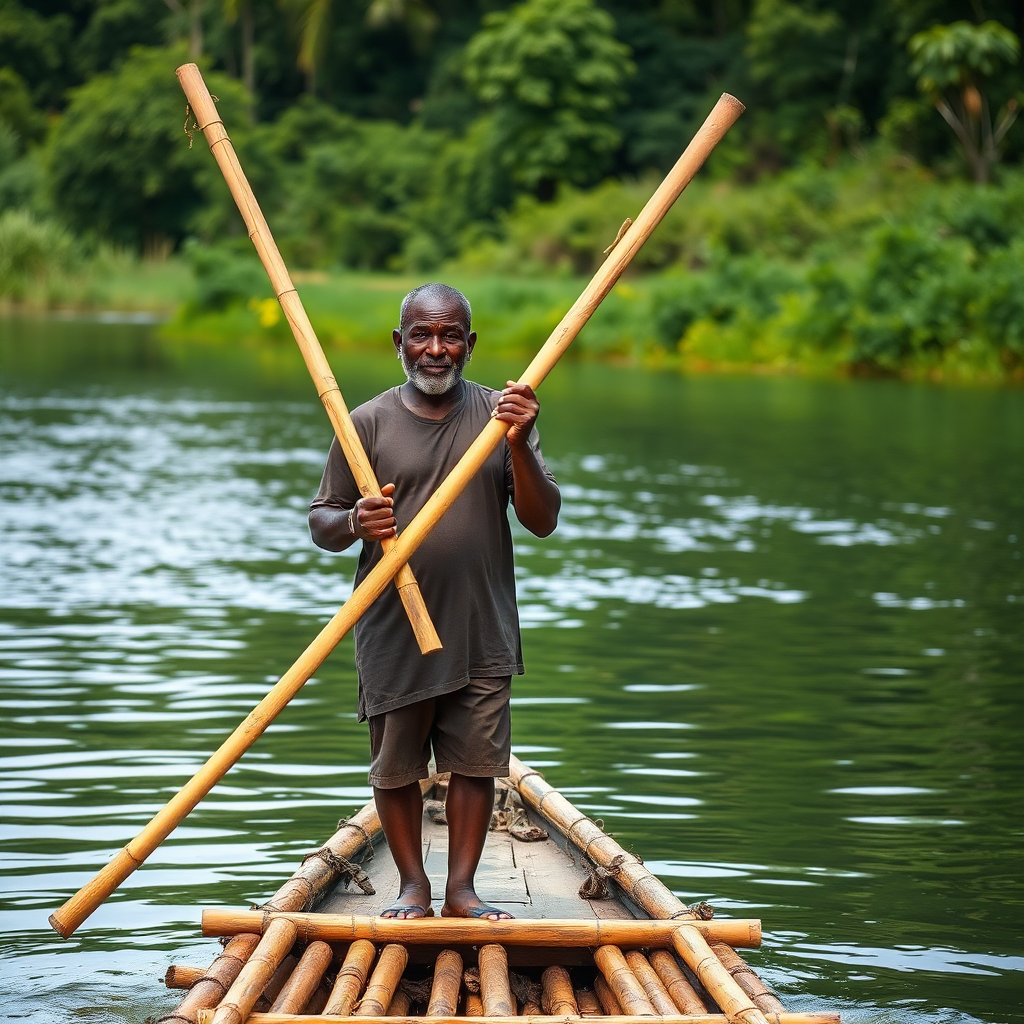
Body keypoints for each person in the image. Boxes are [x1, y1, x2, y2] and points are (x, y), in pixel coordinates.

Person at [308, 282, 560, 921]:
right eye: (421, 335)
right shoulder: (364, 422)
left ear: (470, 346)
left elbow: (542, 519)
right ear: (400, 343)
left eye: (450, 336)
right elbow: (322, 523)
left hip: (482, 624)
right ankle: (413, 886)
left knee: (477, 762)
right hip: (395, 623)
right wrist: (355, 523)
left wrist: (521, 445)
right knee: (395, 766)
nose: (436, 349)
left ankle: (462, 889)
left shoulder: (501, 417)